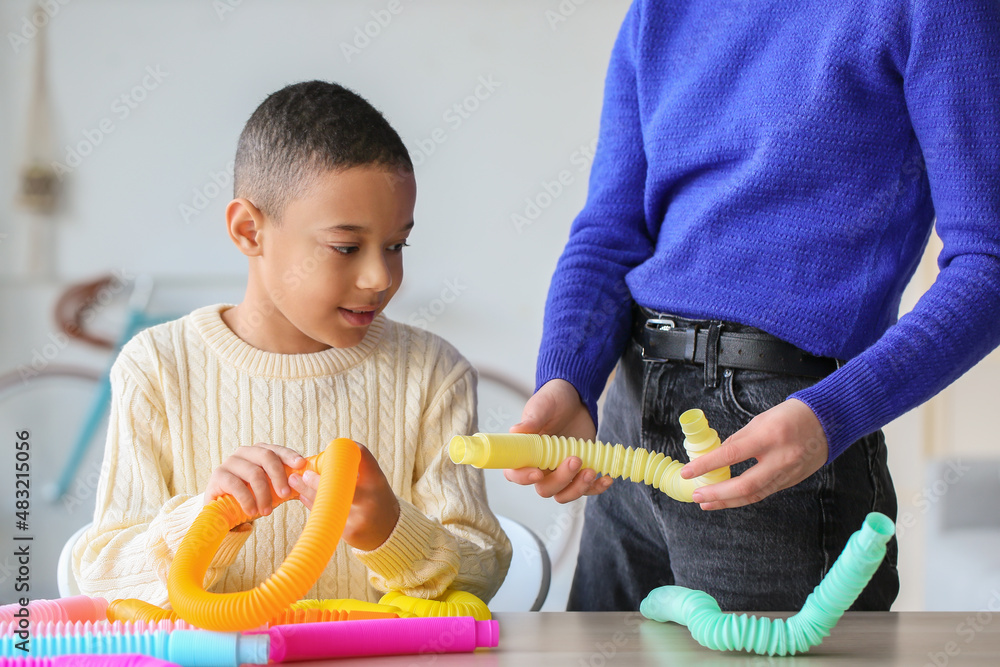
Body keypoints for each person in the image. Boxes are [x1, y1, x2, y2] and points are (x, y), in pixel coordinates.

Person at [506, 0, 1000, 612]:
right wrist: (568, 381)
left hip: (777, 433)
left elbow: (989, 263)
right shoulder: (656, 13)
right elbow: (608, 234)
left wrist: (833, 415)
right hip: (628, 419)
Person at [74, 81, 511, 606]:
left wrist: (392, 533)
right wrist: (206, 519)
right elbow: (101, 576)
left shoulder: (434, 373)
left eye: (396, 245)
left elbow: (482, 569)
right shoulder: (157, 367)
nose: (379, 277)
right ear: (248, 231)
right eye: (345, 247)